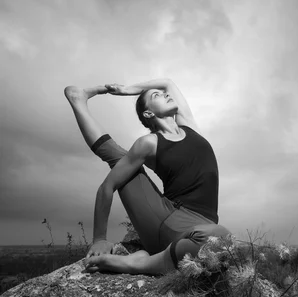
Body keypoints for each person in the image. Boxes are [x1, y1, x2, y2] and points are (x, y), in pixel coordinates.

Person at [64, 79, 231, 275]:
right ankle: (137, 264)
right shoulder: (150, 143)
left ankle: (78, 99)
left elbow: (167, 83)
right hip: (170, 222)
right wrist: (99, 238)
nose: (166, 95)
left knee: (222, 242)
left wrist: (127, 90)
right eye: (156, 96)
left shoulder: (189, 127)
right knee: (221, 237)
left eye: (162, 94)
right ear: (149, 113)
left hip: (204, 223)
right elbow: (107, 187)